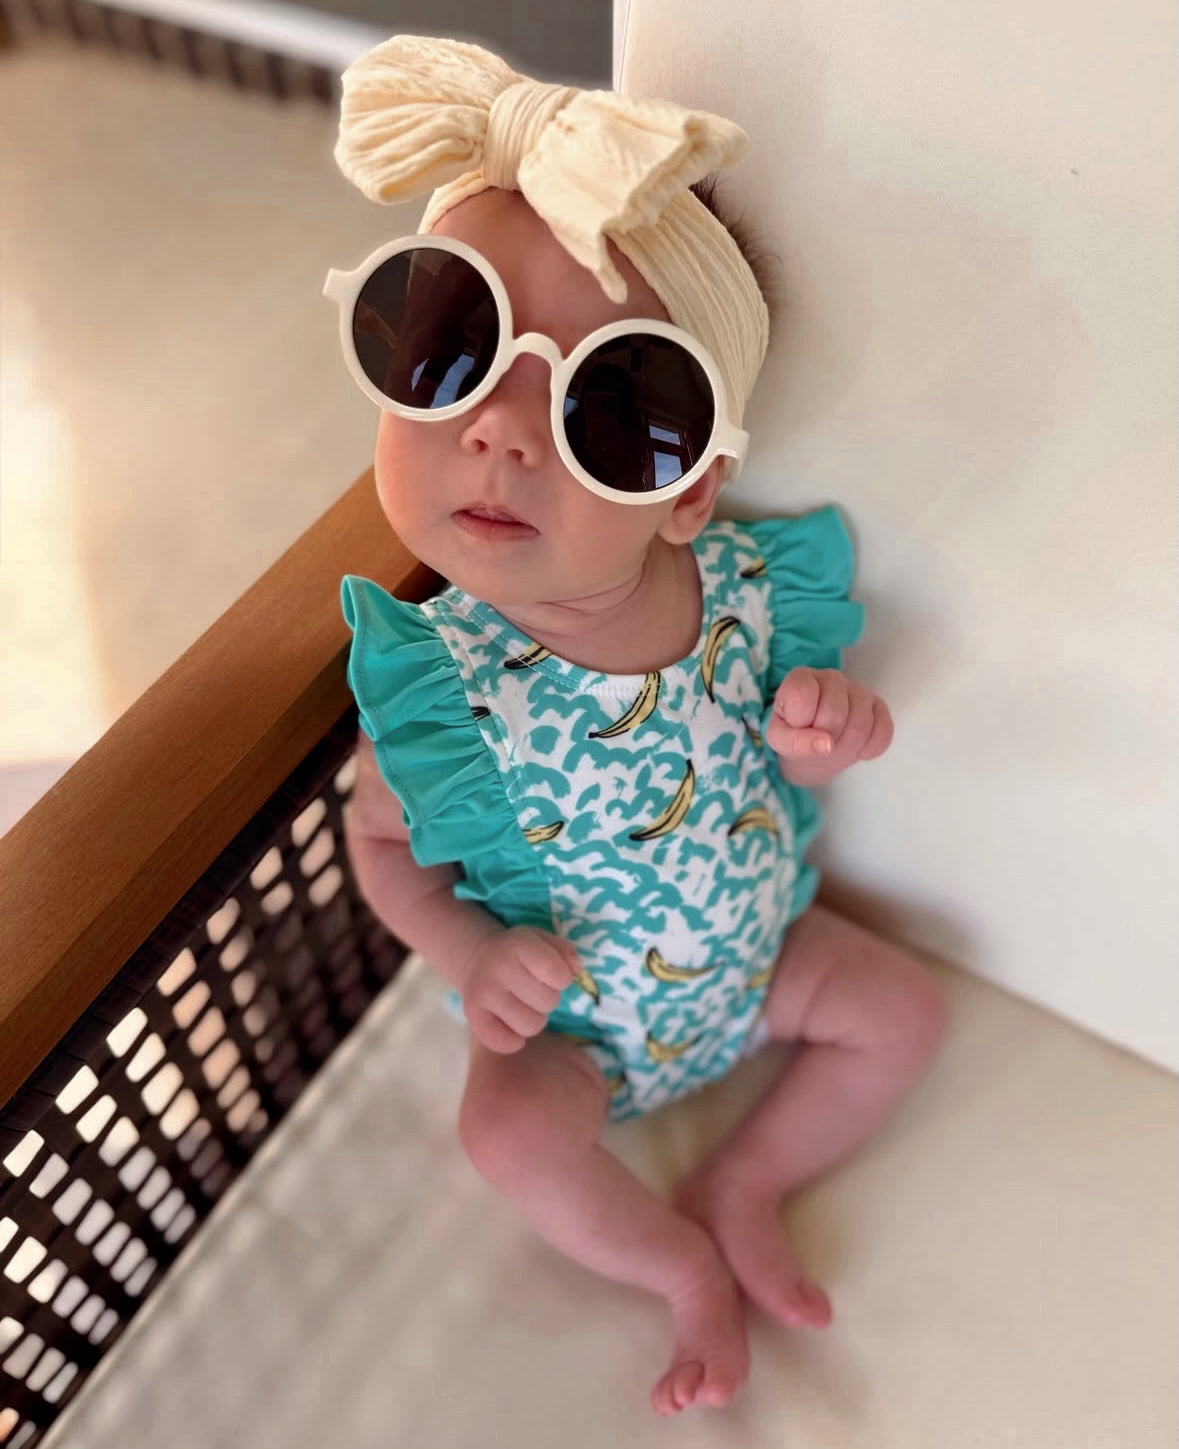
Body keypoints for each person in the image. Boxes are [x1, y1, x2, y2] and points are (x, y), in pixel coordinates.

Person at [327, 34, 949, 1417]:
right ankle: (678, 1266)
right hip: (577, 1036)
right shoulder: (448, 688)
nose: (501, 432)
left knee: (904, 1010)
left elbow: (794, 737)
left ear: (688, 491)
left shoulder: (749, 592)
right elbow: (376, 846)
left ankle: (748, 1176)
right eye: (451, 351)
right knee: (505, 1135)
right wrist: (470, 951)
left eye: (607, 408)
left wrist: (831, 729)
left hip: (765, 964)